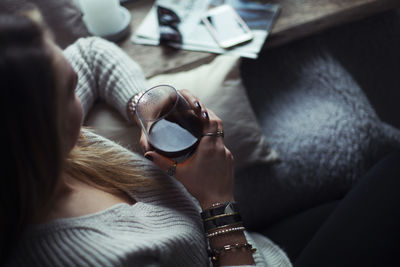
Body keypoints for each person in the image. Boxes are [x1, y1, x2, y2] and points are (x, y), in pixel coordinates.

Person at [2, 4, 400, 267]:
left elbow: (90, 53)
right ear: (37, 131)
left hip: (261, 247)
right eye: (71, 89)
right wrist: (216, 199)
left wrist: (144, 105)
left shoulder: (34, 151)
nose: (78, 84)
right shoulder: (99, 257)